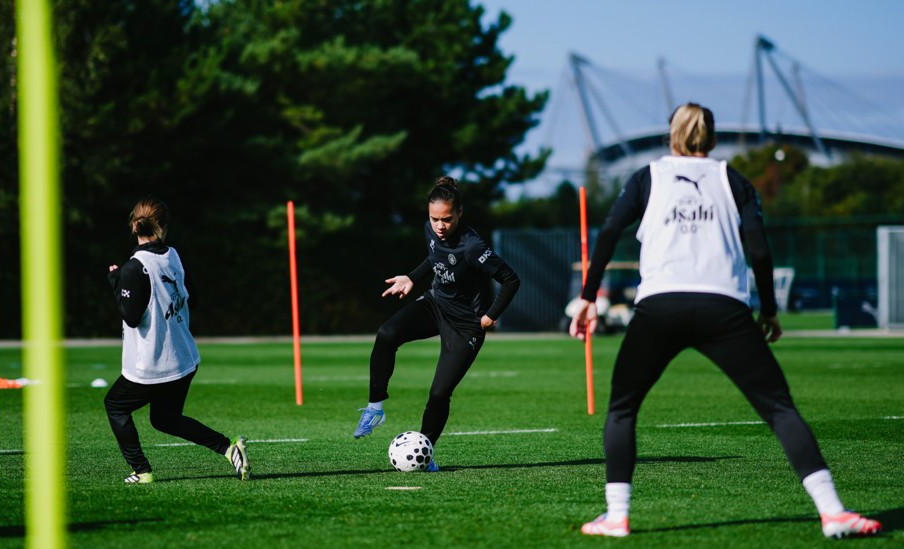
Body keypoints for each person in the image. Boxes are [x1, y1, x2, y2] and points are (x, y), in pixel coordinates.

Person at [569, 103, 882, 539]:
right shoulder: (731, 179)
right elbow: (759, 250)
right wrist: (768, 309)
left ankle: (617, 517)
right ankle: (832, 511)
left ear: (671, 137)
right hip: (724, 307)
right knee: (778, 408)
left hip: (660, 306)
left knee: (622, 408)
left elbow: (607, 232)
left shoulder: (648, 176)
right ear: (712, 140)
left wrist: (587, 298)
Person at [353, 176, 521, 471]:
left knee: (439, 393)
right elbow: (434, 258)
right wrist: (411, 277)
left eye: (446, 219)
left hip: (466, 325)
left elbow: (510, 279)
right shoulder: (430, 231)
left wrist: (490, 316)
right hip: (435, 304)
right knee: (386, 334)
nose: (440, 226)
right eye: (434, 219)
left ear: (459, 214)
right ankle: (375, 408)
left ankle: (426, 452)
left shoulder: (473, 247)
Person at [105, 196, 250, 484]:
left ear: (134, 227)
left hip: (152, 366)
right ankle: (229, 449)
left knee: (116, 406)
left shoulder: (135, 267)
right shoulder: (173, 255)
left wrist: (116, 283)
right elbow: (192, 299)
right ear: (164, 227)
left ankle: (141, 470)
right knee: (165, 419)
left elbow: (131, 317)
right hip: (184, 358)